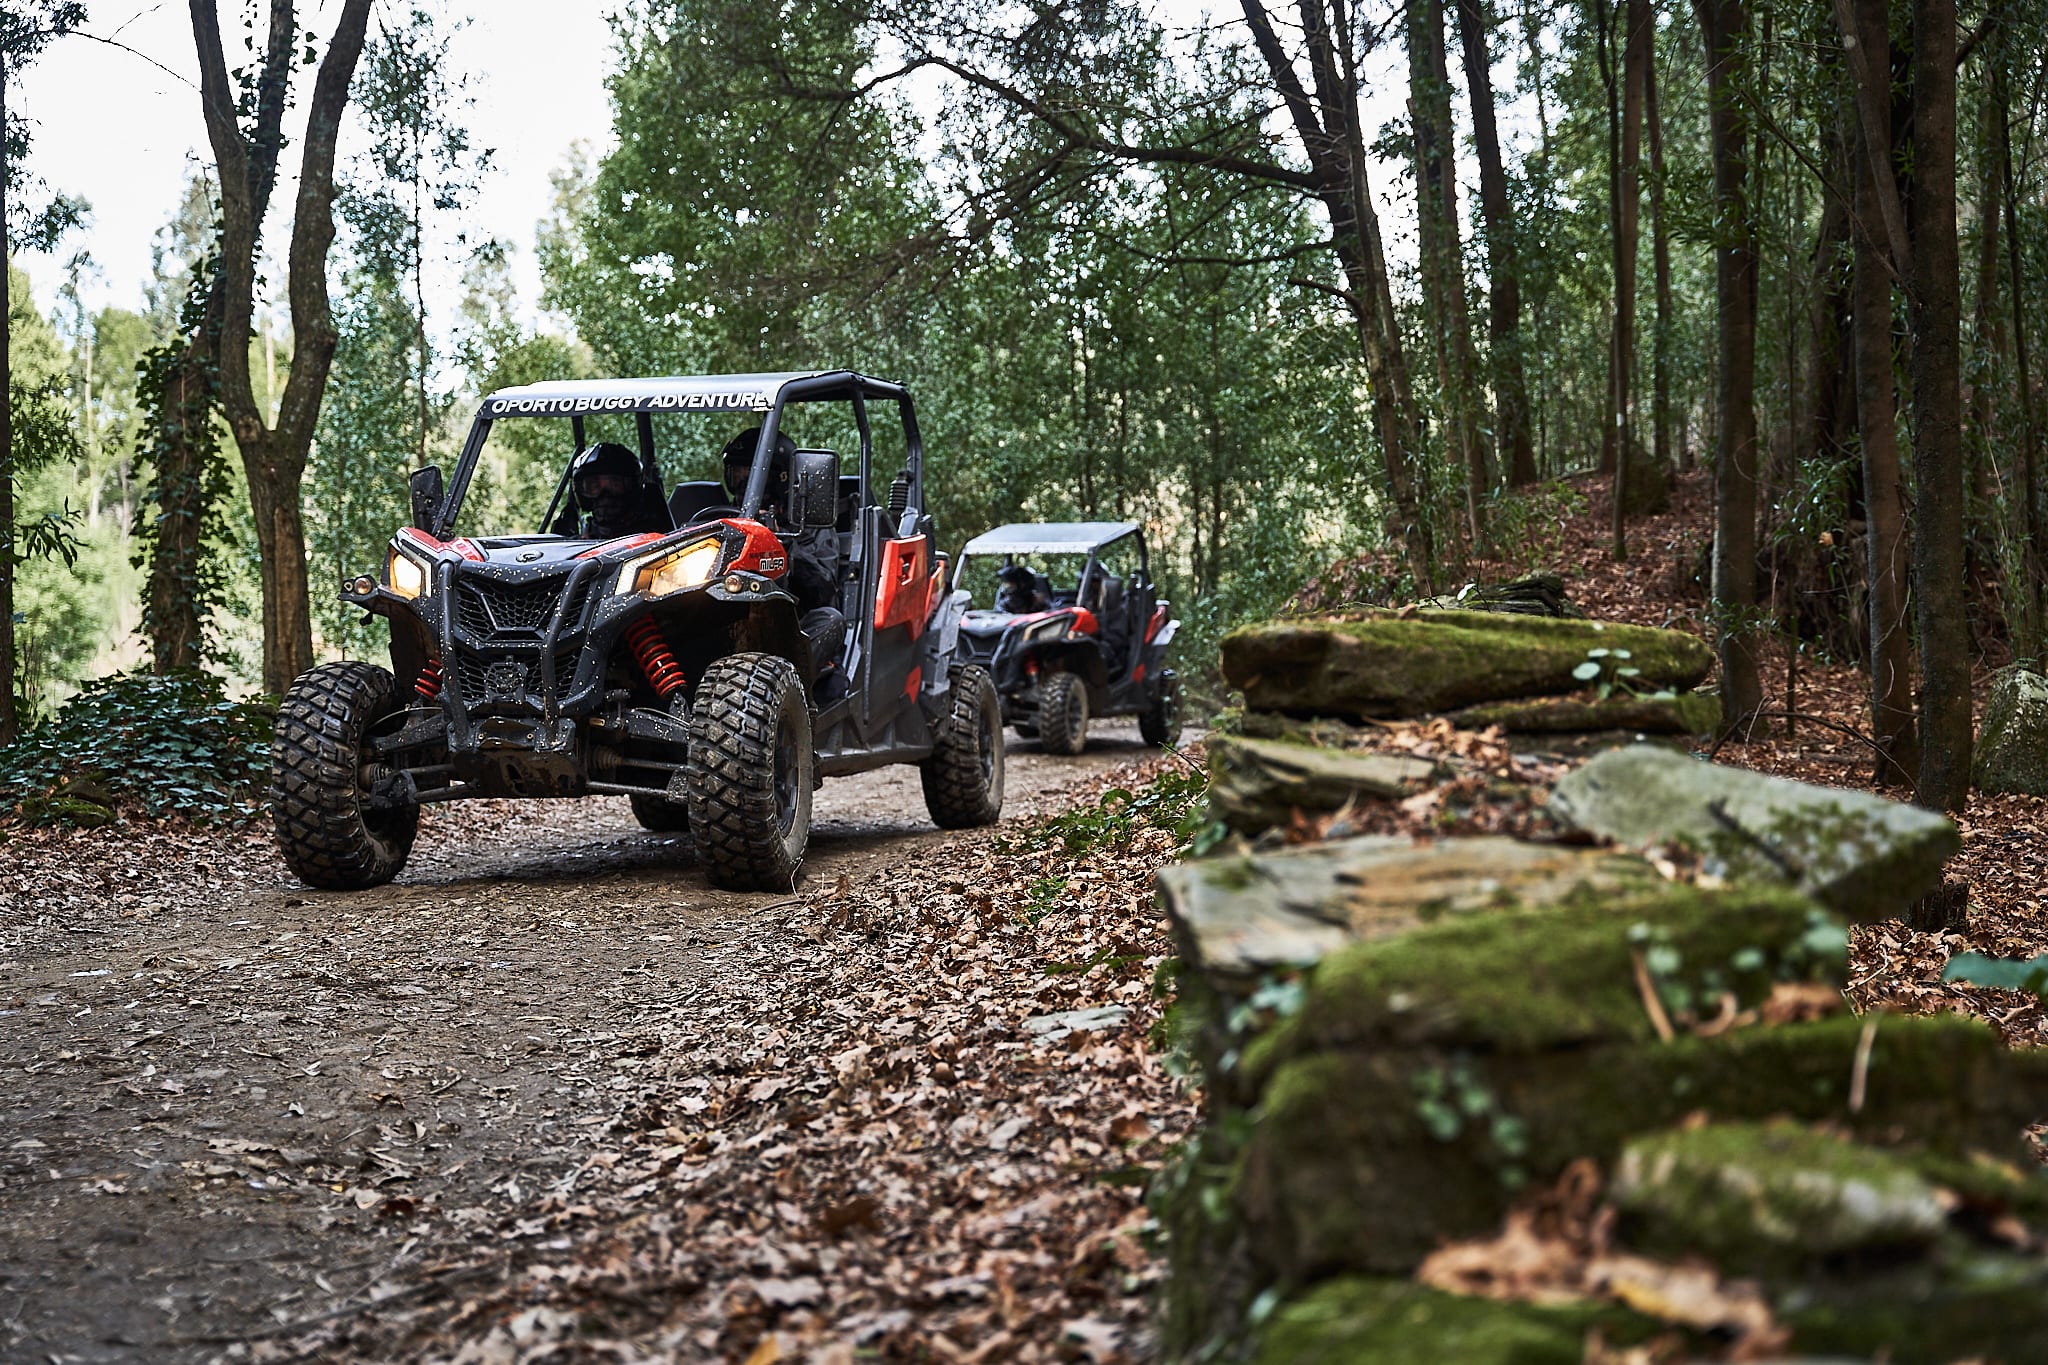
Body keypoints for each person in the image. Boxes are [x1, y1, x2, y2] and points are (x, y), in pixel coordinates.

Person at [722, 426, 849, 700]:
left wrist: (784, 548)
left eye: (751, 474)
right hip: (724, 618)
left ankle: (778, 696)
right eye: (737, 474)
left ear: (778, 476)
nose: (743, 483)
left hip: (791, 625)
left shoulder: (808, 522)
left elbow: (824, 589)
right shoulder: (722, 519)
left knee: (831, 621)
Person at [561, 442, 668, 540]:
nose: (605, 495)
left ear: (633, 486)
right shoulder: (577, 543)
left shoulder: (656, 540)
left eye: (615, 485)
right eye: (594, 486)